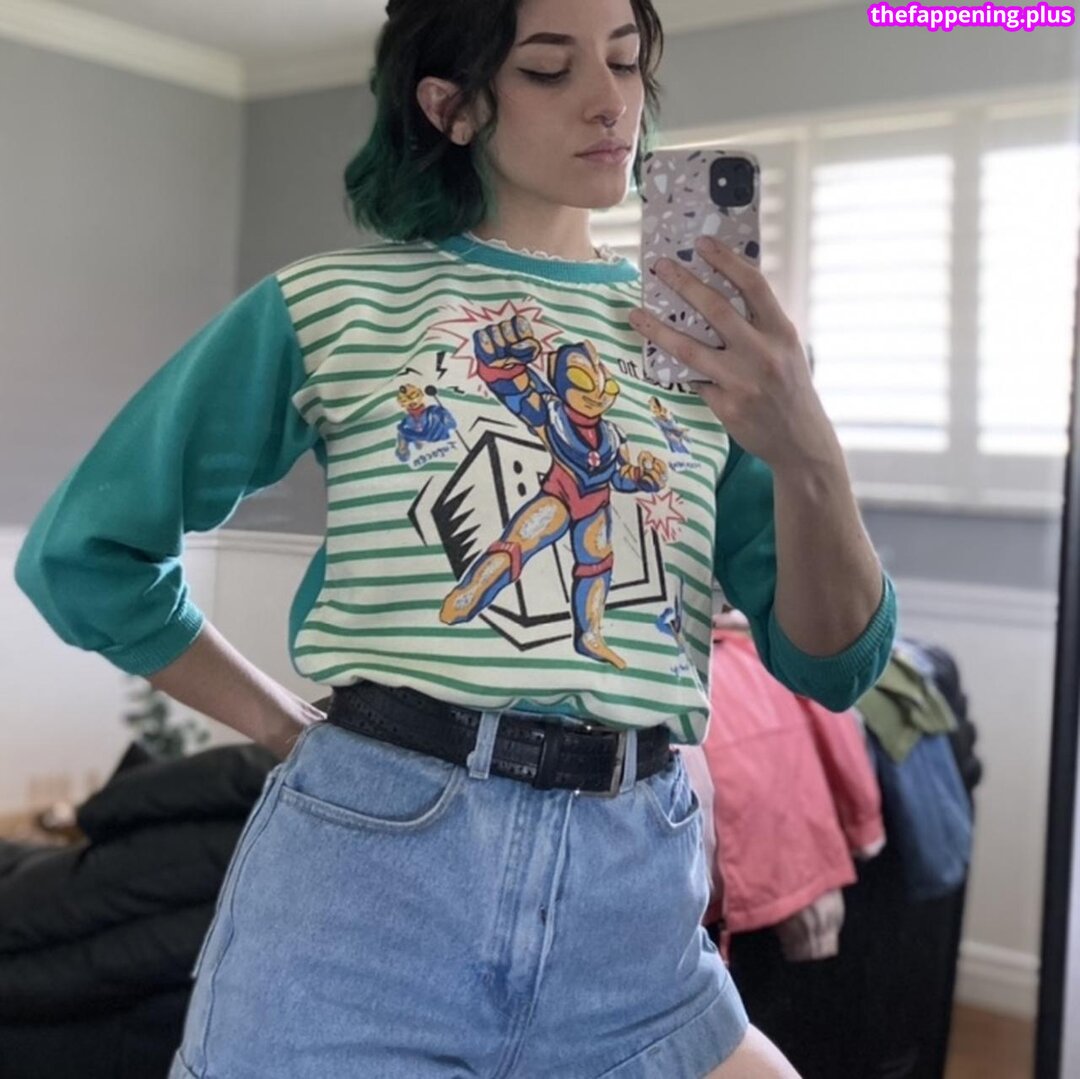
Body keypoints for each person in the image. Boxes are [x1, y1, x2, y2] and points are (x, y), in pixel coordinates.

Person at [14, 0, 897, 1075]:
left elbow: (833, 663)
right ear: (453, 105)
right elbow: (86, 555)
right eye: (549, 68)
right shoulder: (331, 305)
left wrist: (808, 447)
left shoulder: (705, 349)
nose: (609, 100)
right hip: (369, 893)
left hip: (635, 911)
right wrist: (284, 723)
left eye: (626, 62)